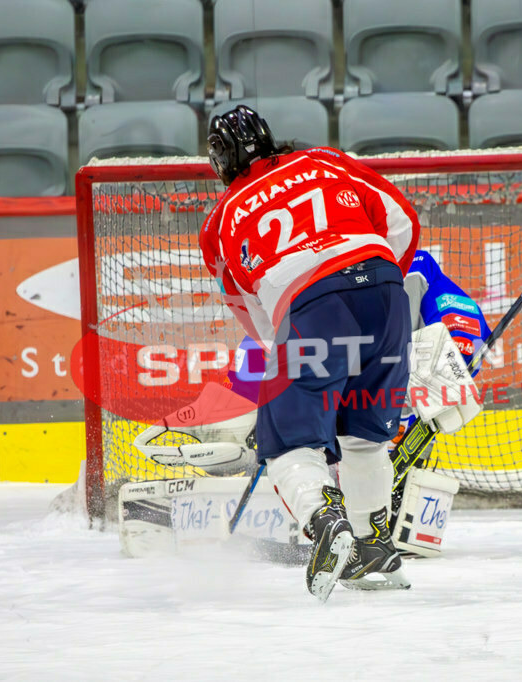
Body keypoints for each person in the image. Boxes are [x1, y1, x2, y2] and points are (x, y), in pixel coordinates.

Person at [197, 105, 482, 601]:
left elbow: (252, 311)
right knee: (366, 437)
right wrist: (375, 279)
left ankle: (325, 521)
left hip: (310, 304)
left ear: (220, 161)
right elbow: (403, 220)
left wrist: (295, 344)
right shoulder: (324, 160)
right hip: (386, 291)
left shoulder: (220, 221)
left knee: (286, 441)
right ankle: (373, 548)